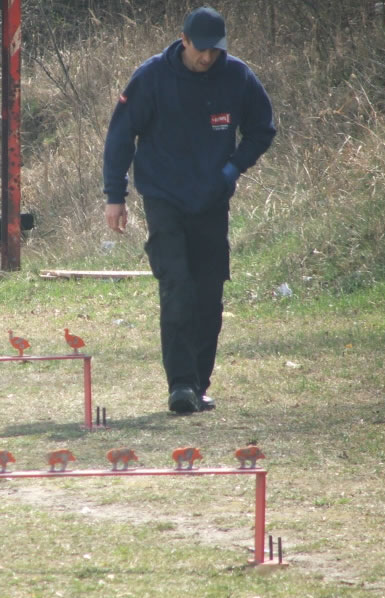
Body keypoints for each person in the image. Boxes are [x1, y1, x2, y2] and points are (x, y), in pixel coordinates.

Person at [102, 6, 276, 414]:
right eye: (201, 50)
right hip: (163, 196)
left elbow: (262, 129)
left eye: (215, 51)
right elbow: (121, 136)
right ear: (184, 41)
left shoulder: (237, 76)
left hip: (211, 200)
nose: (208, 58)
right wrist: (115, 196)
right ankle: (180, 385)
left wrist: (232, 168)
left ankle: (199, 383)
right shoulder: (152, 78)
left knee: (209, 293)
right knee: (177, 285)